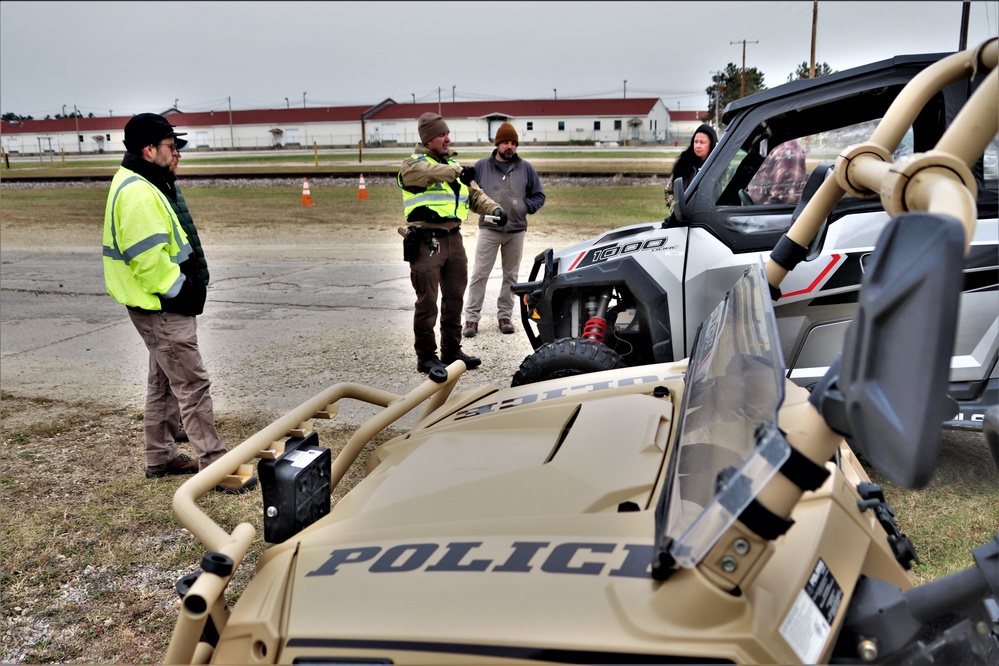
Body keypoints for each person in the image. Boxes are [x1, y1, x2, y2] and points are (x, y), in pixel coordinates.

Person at [102, 113, 255, 493]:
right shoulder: (139, 192)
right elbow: (149, 263)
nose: (178, 155)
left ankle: (161, 456)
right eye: (172, 148)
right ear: (149, 149)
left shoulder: (143, 182)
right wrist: (185, 293)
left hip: (154, 305)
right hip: (161, 306)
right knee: (192, 384)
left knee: (164, 383)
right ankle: (215, 468)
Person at [398, 112, 506, 373]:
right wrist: (458, 171)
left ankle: (451, 351)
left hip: (453, 240)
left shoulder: (453, 166)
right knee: (427, 301)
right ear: (428, 139)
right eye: (442, 134)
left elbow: (475, 195)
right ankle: (426, 357)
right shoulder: (413, 165)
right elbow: (430, 173)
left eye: (447, 133)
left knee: (455, 298)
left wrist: (495, 210)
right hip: (427, 241)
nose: (448, 138)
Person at [462, 122, 546, 337]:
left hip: (516, 231)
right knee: (480, 273)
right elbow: (470, 195)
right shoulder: (481, 166)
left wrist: (525, 207)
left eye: (513, 143)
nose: (510, 147)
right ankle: (471, 319)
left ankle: (505, 316)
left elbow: (539, 196)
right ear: (497, 144)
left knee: (511, 276)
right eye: (505, 142)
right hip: (489, 229)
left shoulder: (525, 168)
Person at [664, 123, 718, 210]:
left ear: (711, 143)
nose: (698, 146)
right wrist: (676, 209)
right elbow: (669, 191)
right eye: (695, 142)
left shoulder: (720, 165)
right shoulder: (683, 163)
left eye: (702, 142)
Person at [745, 138, 808, 205]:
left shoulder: (787, 151)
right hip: (751, 209)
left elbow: (780, 200)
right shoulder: (772, 145)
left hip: (759, 212)